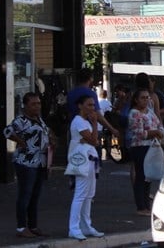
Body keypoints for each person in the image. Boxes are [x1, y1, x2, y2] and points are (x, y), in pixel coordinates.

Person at [3, 93, 52, 238]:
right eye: (33, 104)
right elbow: (7, 131)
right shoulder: (21, 120)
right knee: (25, 195)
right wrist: (19, 141)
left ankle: (33, 225)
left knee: (35, 195)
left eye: (38, 103)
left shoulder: (38, 119)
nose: (37, 106)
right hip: (26, 162)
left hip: (40, 162)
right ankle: (21, 227)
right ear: (25, 105)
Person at [68, 94, 104, 240]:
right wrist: (95, 124)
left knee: (89, 194)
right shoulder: (79, 121)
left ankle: (86, 225)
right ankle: (74, 227)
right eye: (89, 105)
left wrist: (90, 136)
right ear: (80, 106)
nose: (92, 108)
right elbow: (94, 140)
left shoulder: (84, 121)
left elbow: (91, 140)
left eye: (93, 105)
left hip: (89, 159)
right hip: (82, 160)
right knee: (80, 194)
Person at [128, 88, 164, 216]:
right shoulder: (134, 113)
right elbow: (139, 133)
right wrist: (154, 133)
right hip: (140, 147)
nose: (146, 100)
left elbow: (159, 124)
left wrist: (159, 132)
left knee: (148, 177)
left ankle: (147, 206)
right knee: (140, 176)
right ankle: (141, 206)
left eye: (147, 97)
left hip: (152, 146)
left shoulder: (150, 112)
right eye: (143, 98)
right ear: (136, 100)